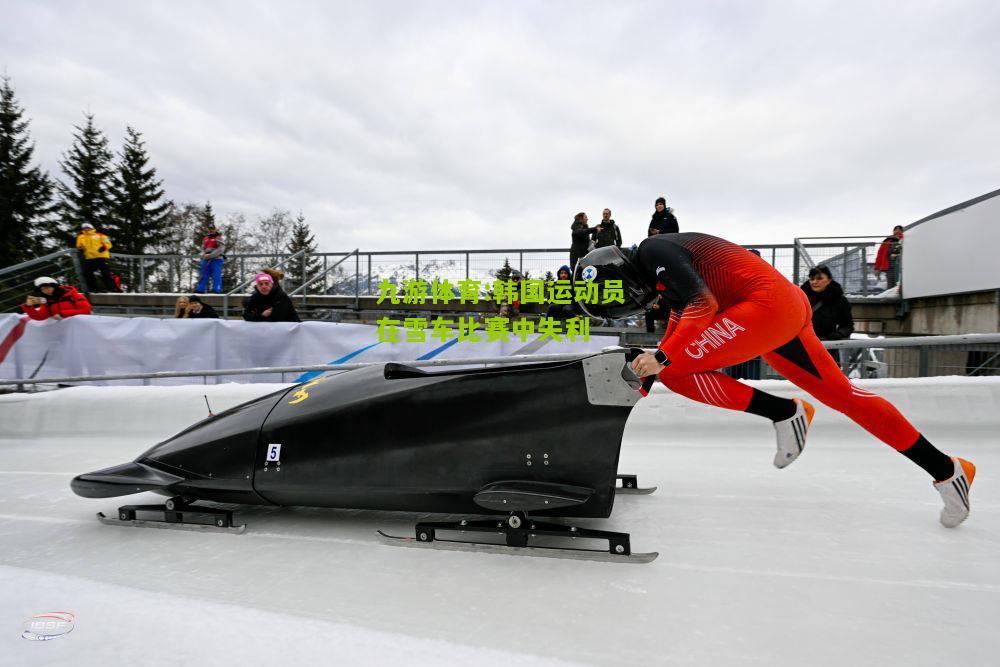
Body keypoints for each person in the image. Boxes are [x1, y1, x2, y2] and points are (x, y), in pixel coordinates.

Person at [573, 234, 975, 528]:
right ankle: (947, 470)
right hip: (780, 309)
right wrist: (655, 363)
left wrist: (660, 359)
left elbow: (701, 307)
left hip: (766, 308)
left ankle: (784, 412)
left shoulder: (655, 251)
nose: (644, 304)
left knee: (676, 371)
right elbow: (684, 316)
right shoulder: (661, 266)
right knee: (846, 396)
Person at [801, 265, 854, 365]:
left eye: (819, 278)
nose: (814, 282)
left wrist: (838, 334)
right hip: (805, 346)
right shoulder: (801, 298)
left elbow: (847, 325)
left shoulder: (839, 301)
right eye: (811, 279)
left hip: (828, 347)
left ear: (829, 280)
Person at [21, 276, 92, 321]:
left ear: (54, 286)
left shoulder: (73, 295)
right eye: (43, 289)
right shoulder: (47, 301)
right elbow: (40, 317)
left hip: (82, 327)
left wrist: (63, 314)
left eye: (48, 287)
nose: (46, 291)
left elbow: (86, 310)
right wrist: (28, 307)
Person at [75, 223, 120, 292]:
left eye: (88, 227)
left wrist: (103, 248)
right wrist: (80, 248)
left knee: (105, 273)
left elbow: (109, 244)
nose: (86, 229)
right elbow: (78, 245)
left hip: (100, 256)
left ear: (92, 228)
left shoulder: (100, 235)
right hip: (89, 257)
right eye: (84, 228)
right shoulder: (81, 237)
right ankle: (94, 289)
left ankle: (111, 289)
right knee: (87, 273)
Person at [196, 225, 226, 294]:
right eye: (209, 229)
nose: (211, 230)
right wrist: (203, 255)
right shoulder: (205, 238)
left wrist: (210, 255)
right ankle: (200, 289)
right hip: (206, 259)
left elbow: (221, 249)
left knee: (216, 275)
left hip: (216, 259)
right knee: (203, 274)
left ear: (215, 229)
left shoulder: (219, 238)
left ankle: (217, 290)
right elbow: (202, 248)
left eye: (212, 229)